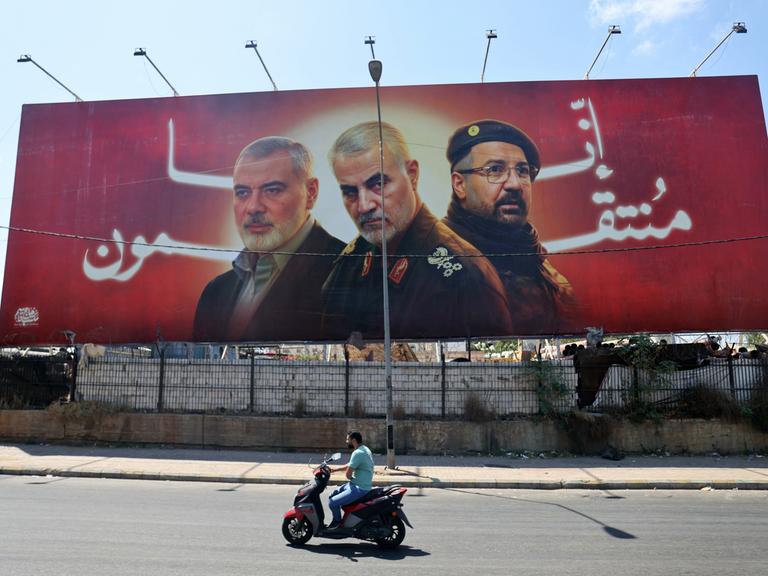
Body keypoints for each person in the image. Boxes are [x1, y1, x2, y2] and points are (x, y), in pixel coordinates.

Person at [321, 121, 513, 340]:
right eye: (350, 192)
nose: (364, 205)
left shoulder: (465, 275)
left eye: (378, 184)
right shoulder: (348, 264)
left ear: (412, 175)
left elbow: (486, 363)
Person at [194, 137, 344, 341]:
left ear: (311, 193)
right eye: (243, 192)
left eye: (272, 190)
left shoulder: (347, 272)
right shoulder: (216, 292)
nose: (253, 207)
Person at [442, 119, 578, 335]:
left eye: (523, 171)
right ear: (460, 184)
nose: (515, 184)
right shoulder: (438, 262)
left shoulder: (545, 270)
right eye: (495, 170)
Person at [326, 431, 374, 530]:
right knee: (332, 495)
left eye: (348, 439)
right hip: (358, 484)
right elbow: (351, 464)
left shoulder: (357, 453)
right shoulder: (365, 449)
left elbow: (348, 474)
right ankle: (345, 519)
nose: (346, 441)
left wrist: (351, 477)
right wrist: (334, 470)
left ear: (354, 440)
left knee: (332, 502)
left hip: (359, 488)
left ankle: (337, 523)